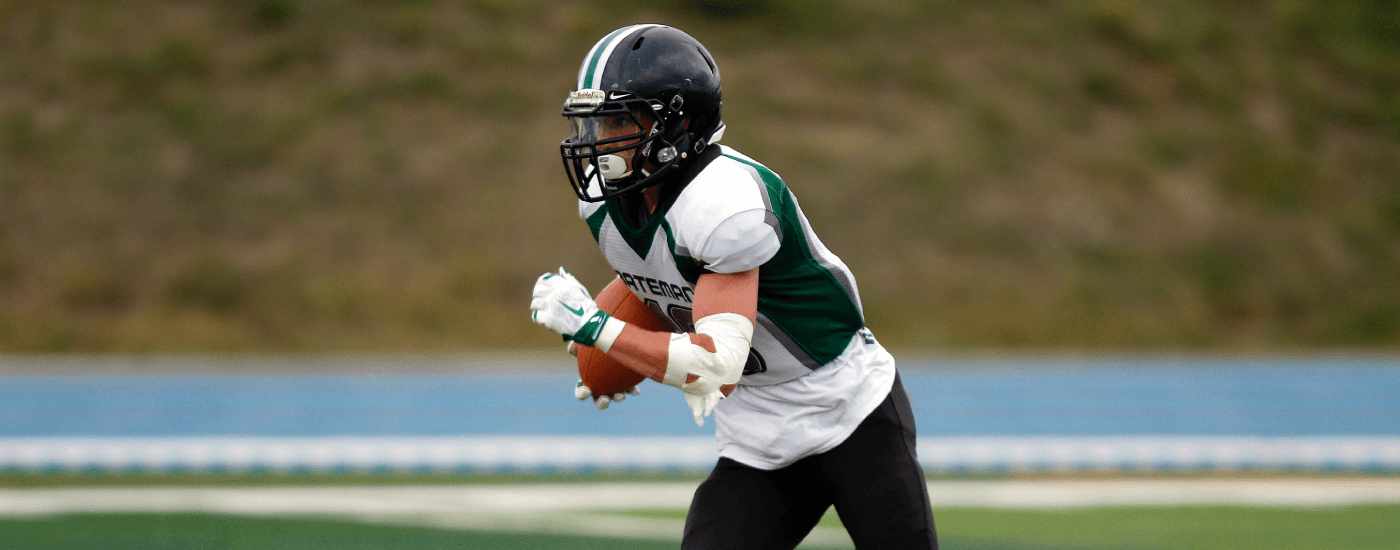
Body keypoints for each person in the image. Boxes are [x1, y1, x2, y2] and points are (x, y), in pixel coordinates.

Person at [529, 24, 938, 550]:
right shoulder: (603, 205)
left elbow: (714, 367)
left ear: (677, 124)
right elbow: (661, 280)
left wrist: (596, 328)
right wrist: (613, 351)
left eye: (617, 121)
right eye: (594, 122)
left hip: (847, 408)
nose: (598, 140)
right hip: (755, 433)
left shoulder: (724, 202)